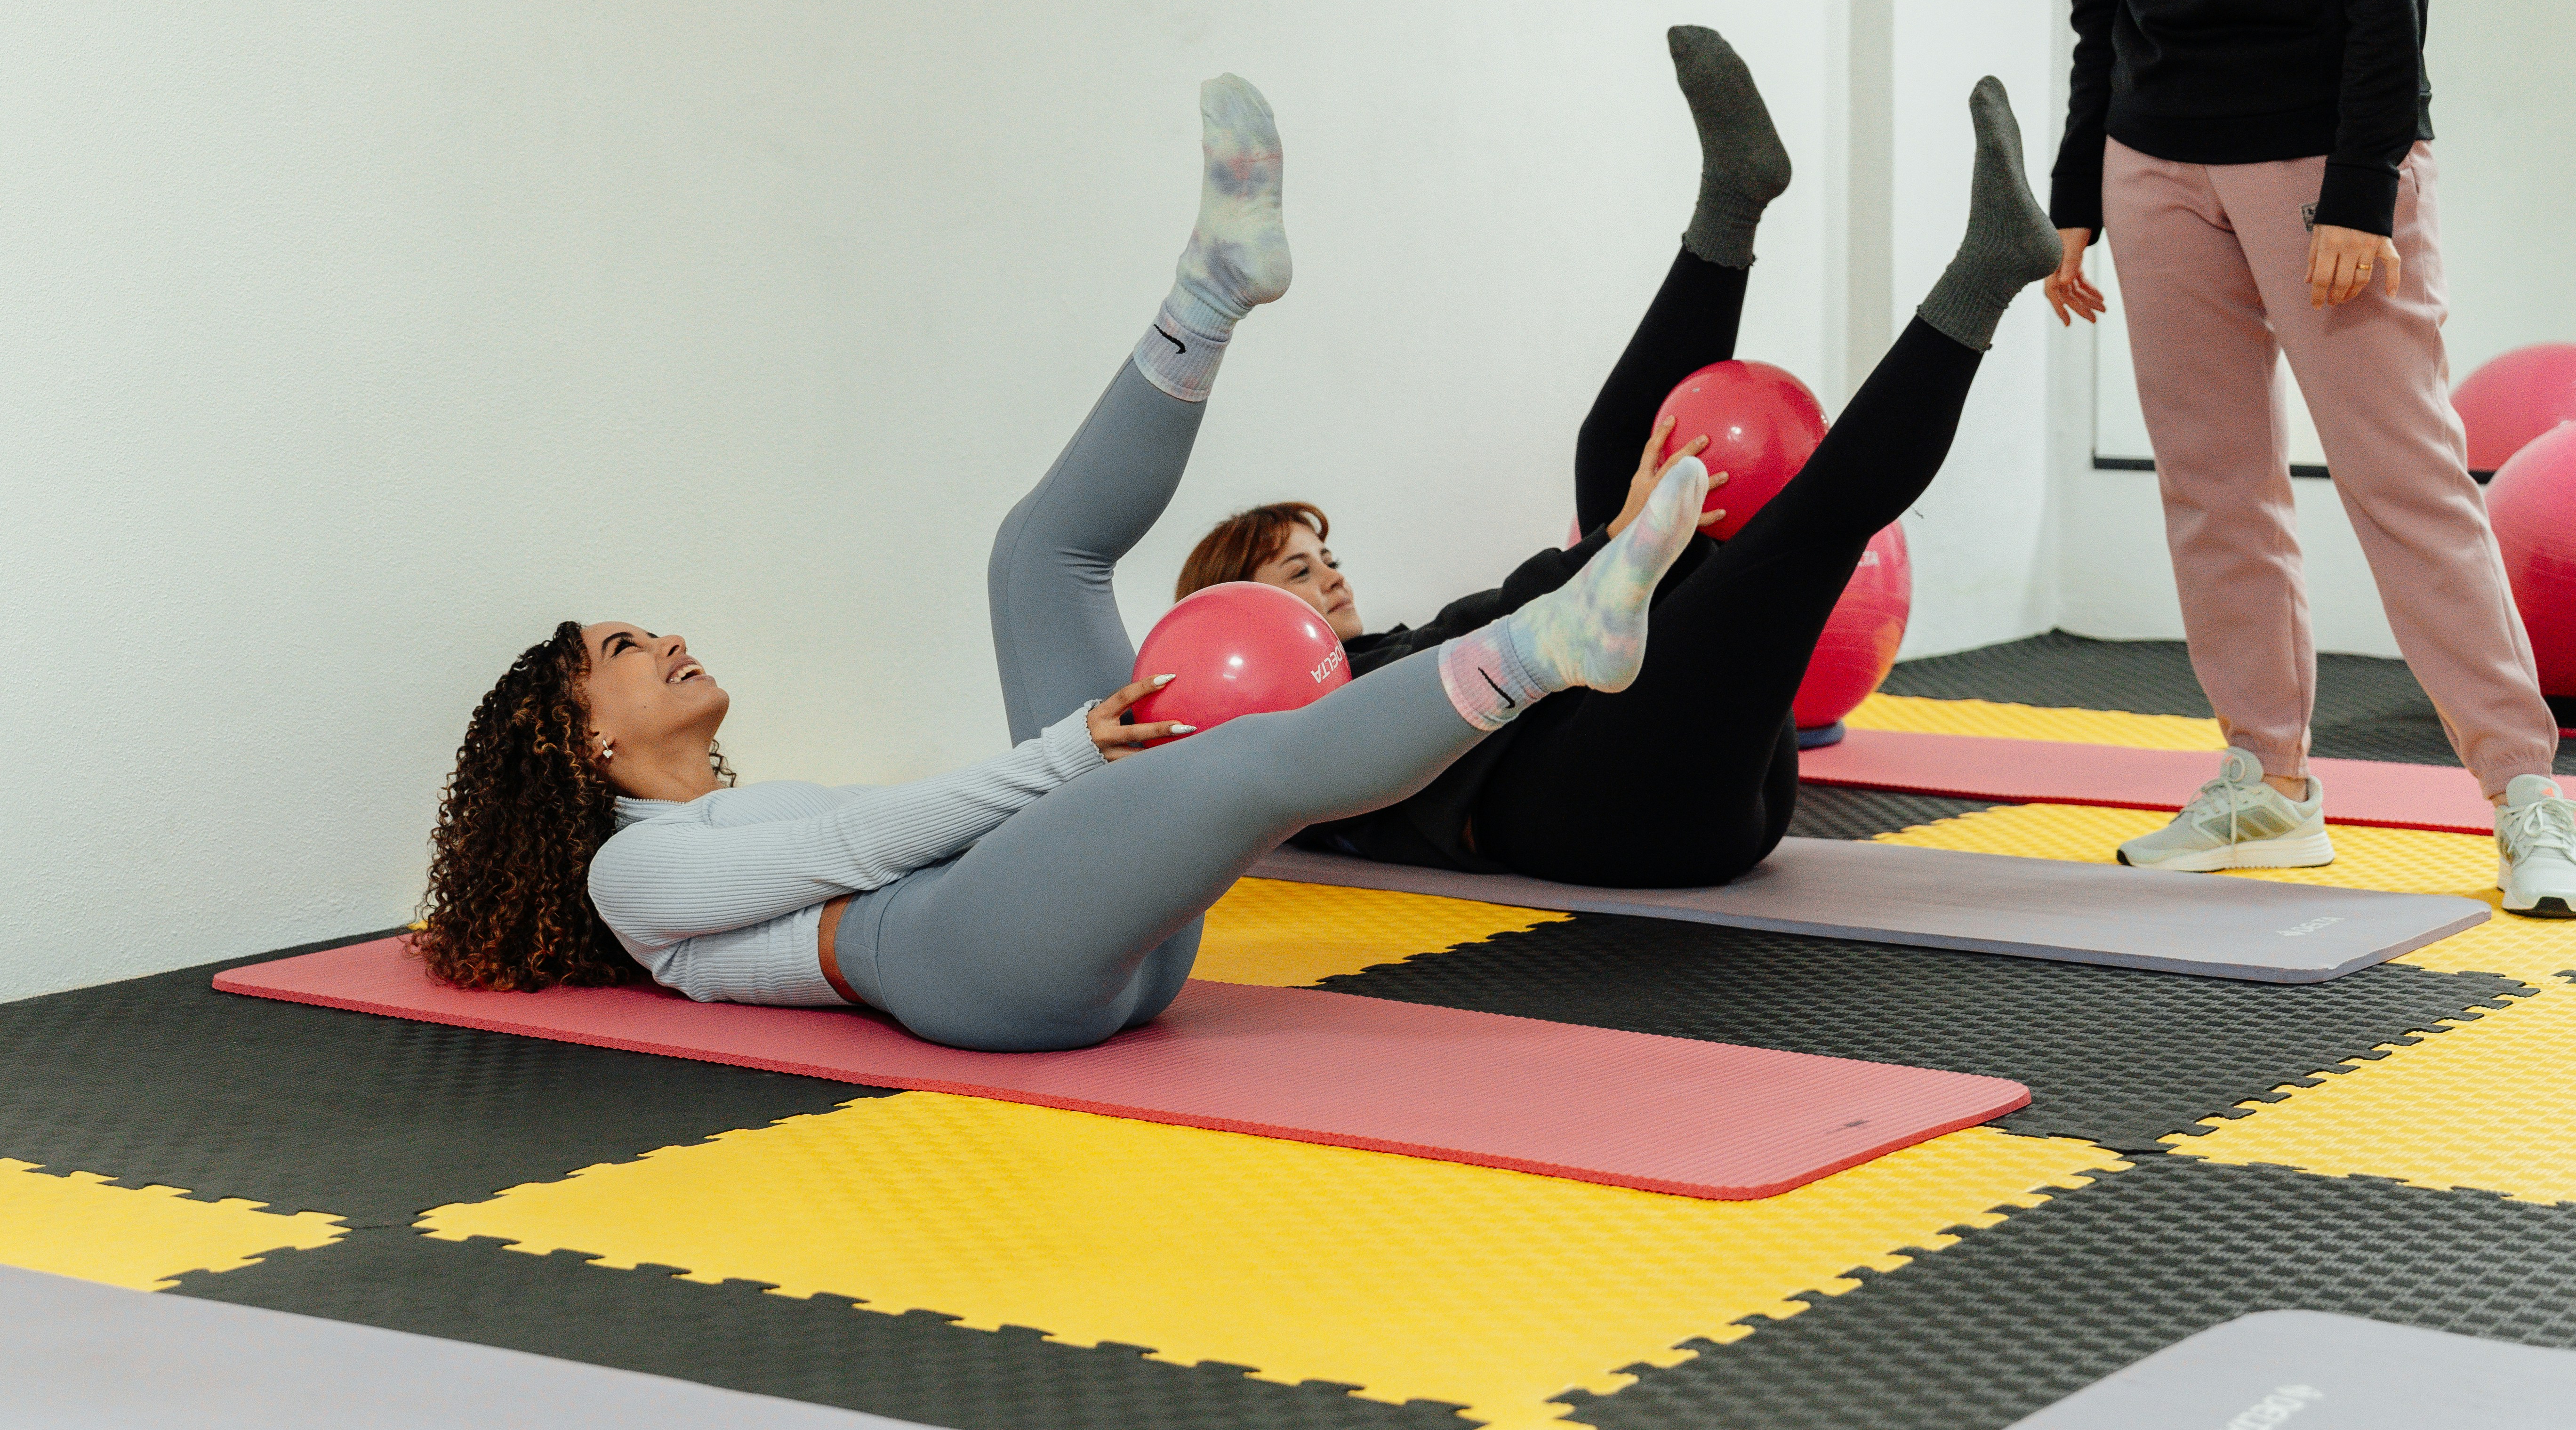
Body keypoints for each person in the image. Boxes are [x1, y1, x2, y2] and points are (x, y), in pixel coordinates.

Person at [408, 78, 1708, 1050]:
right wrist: (1068, 757)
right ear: (582, 741)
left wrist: (1064, 773)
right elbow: (862, 840)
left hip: (1059, 922)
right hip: (980, 969)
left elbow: (878, 832)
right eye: (622, 652)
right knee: (1229, 756)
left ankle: (1210, 290)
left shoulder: (710, 822)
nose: (661, 639)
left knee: (1036, 557)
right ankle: (1549, 645)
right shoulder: (625, 872)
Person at [2036, 0, 2576, 918]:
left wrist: (2361, 191)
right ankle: (2265, 784)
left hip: (2314, 169)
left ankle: (2525, 794)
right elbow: (2099, 8)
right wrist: (2073, 195)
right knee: (2210, 489)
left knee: (2399, 481)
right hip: (2156, 166)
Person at [1147, 28, 2064, 890]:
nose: (1332, 576)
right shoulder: (1281, 737)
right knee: (1803, 531)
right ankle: (1985, 273)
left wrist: (1615, 542)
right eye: (1298, 570)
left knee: (1613, 451)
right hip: (1617, 818)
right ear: (1240, 620)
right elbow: (1466, 652)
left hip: (1668, 760)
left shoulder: (1369, 653)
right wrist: (1607, 546)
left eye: (1326, 557)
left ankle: (1733, 196)